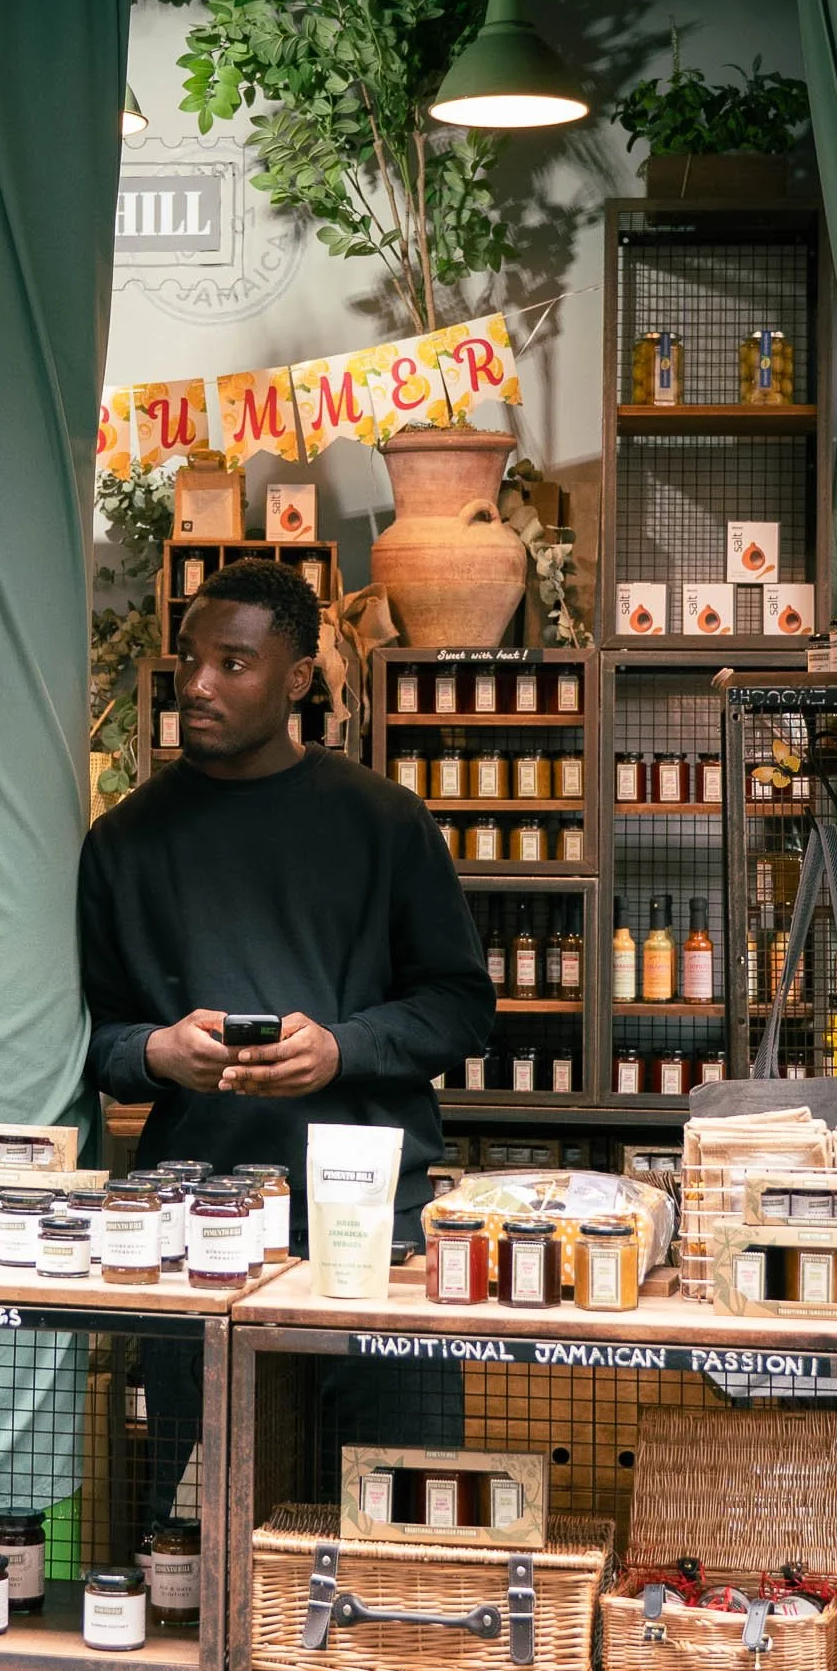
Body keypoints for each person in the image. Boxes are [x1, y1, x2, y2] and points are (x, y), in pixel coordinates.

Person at [77, 556, 494, 1519]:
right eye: (190, 661)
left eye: (234, 663)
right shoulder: (123, 844)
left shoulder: (382, 822)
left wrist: (340, 1049)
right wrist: (155, 1054)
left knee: (398, 1514)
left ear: (297, 678)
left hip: (380, 1233)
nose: (200, 685)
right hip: (200, 1232)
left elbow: (461, 1007)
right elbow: (87, 1035)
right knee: (205, 1525)